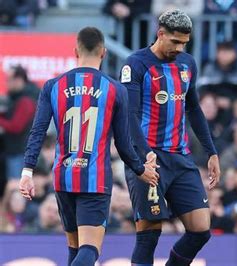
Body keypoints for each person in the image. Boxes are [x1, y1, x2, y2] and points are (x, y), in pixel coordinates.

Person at [18, 27, 158, 266]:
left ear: (75, 51)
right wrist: (139, 169)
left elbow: (38, 132)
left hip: (63, 178)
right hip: (95, 181)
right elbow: (123, 144)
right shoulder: (116, 89)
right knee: (90, 250)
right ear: (104, 53)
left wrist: (27, 172)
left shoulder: (53, 86)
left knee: (75, 250)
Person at [120, 9, 221, 266]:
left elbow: (194, 109)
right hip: (148, 159)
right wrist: (145, 154)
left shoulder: (187, 64)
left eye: (184, 43)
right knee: (149, 234)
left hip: (180, 157)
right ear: (160, 33)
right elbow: (130, 115)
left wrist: (211, 151)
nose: (180, 47)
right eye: (175, 41)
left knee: (200, 230)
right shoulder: (136, 64)